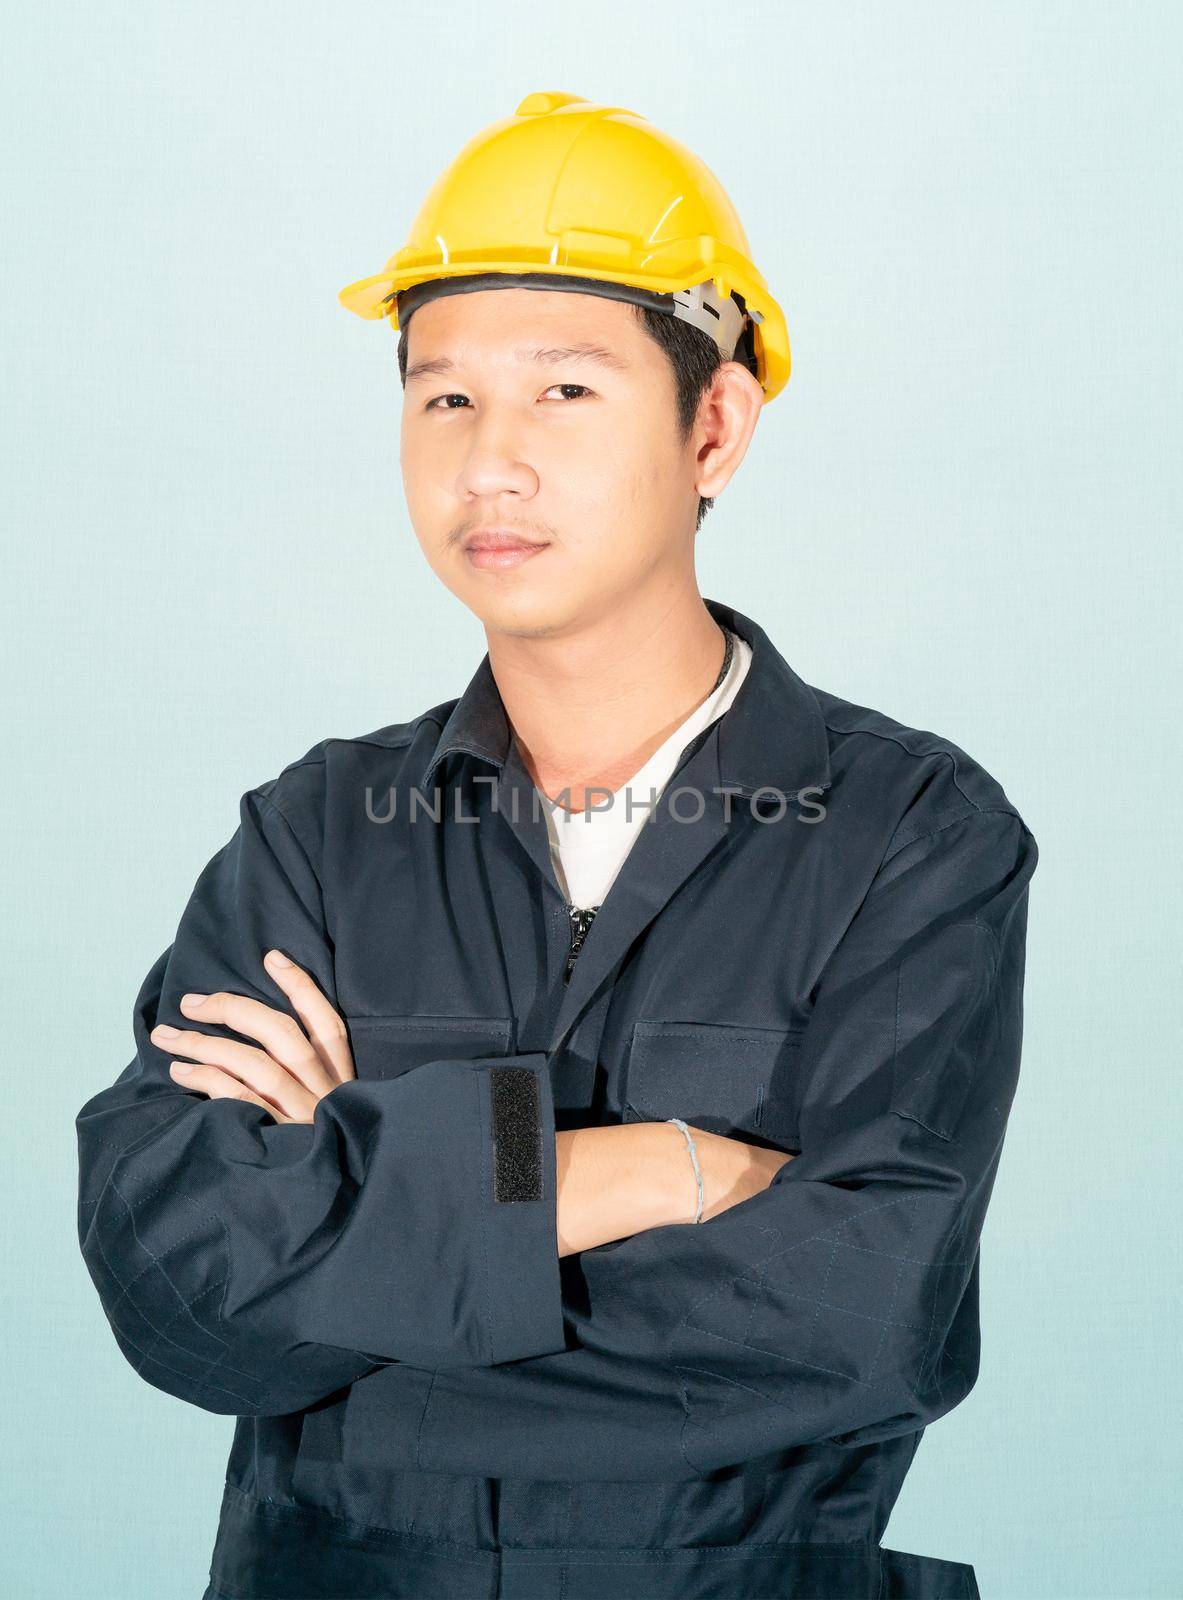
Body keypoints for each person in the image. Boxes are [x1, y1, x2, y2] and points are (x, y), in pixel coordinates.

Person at [75, 91, 1038, 1600]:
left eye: (566, 394)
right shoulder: (322, 834)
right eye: (443, 396)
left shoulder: (910, 833)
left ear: (712, 422)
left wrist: (361, 1229)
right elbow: (181, 1292)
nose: (489, 464)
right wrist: (647, 1167)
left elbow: (864, 1320)